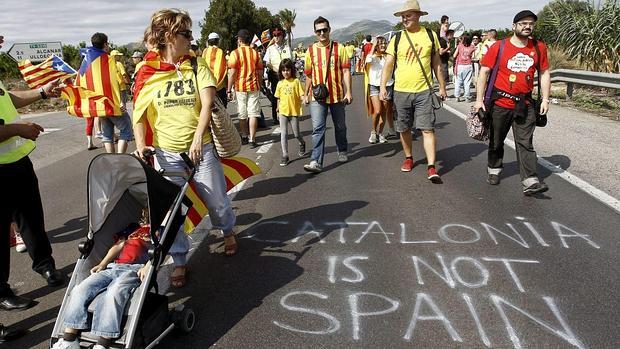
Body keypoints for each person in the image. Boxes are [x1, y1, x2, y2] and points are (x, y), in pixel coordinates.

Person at [133, 9, 239, 288]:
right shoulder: (146, 72)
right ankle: (180, 259)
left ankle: (227, 230)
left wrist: (196, 139)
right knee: (172, 211)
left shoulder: (196, 64)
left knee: (216, 198)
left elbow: (207, 103)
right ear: (169, 36)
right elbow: (140, 114)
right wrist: (142, 145)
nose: (192, 39)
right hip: (166, 154)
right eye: (186, 34)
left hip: (200, 149)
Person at [0, 34, 65, 343]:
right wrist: (19, 129)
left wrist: (41, 91)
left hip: (16, 163)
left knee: (31, 219)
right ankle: (2, 292)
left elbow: (8, 99)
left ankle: (46, 266)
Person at [474, 10, 551, 196]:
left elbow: (544, 73)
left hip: (525, 104)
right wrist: (478, 101)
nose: (527, 26)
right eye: (523, 23)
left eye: (531, 23)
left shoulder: (539, 47)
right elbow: (484, 72)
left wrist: (546, 99)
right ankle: (494, 169)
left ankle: (530, 180)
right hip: (500, 103)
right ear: (514, 26)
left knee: (525, 143)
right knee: (496, 141)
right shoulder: (499, 47)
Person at [51, 215, 151, 349]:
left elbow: (158, 251)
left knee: (113, 293)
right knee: (80, 289)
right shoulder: (133, 228)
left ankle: (104, 342)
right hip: (113, 266)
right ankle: (69, 339)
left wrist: (148, 265)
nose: (146, 215)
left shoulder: (158, 231)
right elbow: (118, 245)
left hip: (134, 269)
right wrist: (103, 263)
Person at [380, 0, 447, 181]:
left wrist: (441, 87)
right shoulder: (397, 38)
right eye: (402, 16)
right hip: (401, 91)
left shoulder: (431, 35)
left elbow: (437, 65)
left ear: (418, 15)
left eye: (408, 15)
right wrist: (382, 87)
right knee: (404, 128)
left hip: (424, 90)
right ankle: (409, 157)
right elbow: (388, 65)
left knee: (427, 128)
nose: (404, 19)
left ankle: (432, 167)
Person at [302, 16, 352, 174]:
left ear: (329, 30)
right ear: (315, 33)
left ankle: (342, 150)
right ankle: (316, 161)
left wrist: (349, 91)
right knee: (318, 129)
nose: (322, 33)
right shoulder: (310, 51)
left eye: (324, 30)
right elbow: (309, 75)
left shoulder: (340, 48)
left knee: (340, 127)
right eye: (319, 31)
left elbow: (345, 71)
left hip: (337, 96)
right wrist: (305, 93)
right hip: (318, 97)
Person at [89, 33, 133, 154]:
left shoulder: (89, 62)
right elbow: (114, 82)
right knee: (126, 129)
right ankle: (120, 157)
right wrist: (119, 101)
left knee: (107, 132)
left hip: (100, 103)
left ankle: (111, 159)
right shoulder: (109, 61)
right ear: (105, 44)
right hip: (112, 101)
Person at [227, 29, 264, 148]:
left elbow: (232, 73)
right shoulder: (255, 53)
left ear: (240, 39)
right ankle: (252, 139)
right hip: (254, 86)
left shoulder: (235, 53)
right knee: (253, 113)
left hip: (240, 87)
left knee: (242, 114)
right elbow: (259, 72)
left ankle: (244, 136)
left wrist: (229, 89)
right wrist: (260, 84)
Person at [275, 59, 307, 166]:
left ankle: (302, 143)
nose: (285, 72)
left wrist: (304, 99)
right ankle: (285, 155)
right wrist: (277, 108)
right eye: (283, 70)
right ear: (281, 71)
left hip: (294, 112)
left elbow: (301, 94)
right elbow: (278, 97)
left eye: (287, 70)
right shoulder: (280, 83)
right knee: (283, 134)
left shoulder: (296, 82)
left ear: (291, 70)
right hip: (283, 112)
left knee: (296, 134)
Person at [364, 36, 394, 144]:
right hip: (374, 86)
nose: (383, 46)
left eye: (385, 44)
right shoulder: (372, 56)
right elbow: (367, 61)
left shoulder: (389, 56)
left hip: (387, 85)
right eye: (380, 44)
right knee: (377, 110)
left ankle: (380, 133)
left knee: (384, 111)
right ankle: (373, 131)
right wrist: (372, 47)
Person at [265, 28, 294, 125]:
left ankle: (288, 114)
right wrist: (275, 69)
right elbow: (267, 62)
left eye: (278, 35)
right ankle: (275, 116)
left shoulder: (287, 48)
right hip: (275, 75)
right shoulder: (270, 49)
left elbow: (291, 61)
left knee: (287, 94)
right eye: (274, 35)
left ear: (282, 36)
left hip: (286, 75)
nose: (276, 37)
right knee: (275, 96)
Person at [202, 32, 228, 108]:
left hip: (208, 84)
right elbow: (223, 69)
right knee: (222, 106)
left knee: (210, 107)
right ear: (217, 41)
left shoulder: (205, 51)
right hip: (219, 86)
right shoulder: (220, 51)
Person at [452, 34, 476, 102]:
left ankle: (457, 97)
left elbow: (454, 55)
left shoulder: (459, 46)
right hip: (468, 65)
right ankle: (467, 97)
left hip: (459, 65)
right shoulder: (472, 47)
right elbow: (473, 56)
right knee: (467, 82)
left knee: (458, 81)